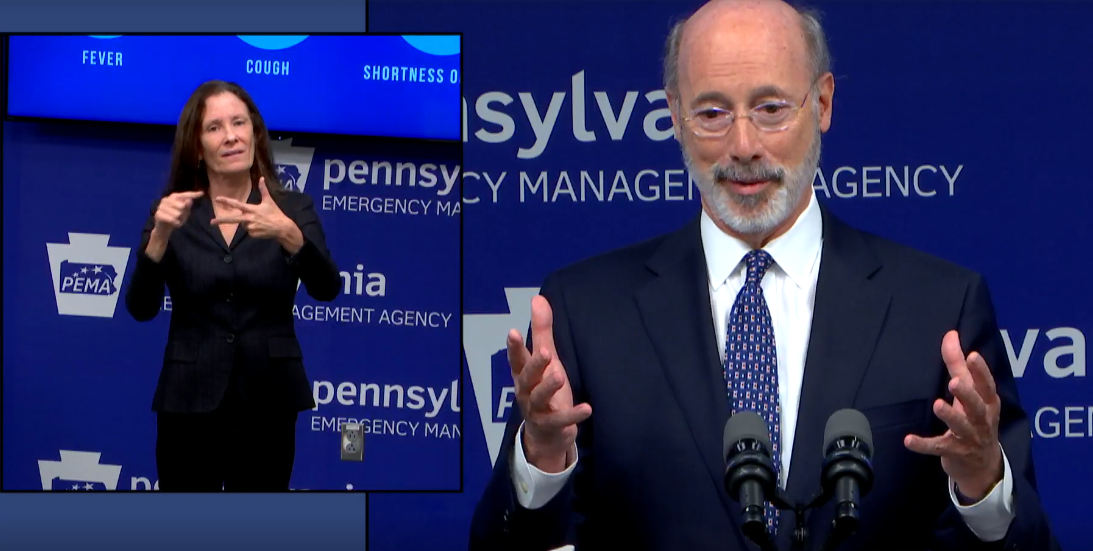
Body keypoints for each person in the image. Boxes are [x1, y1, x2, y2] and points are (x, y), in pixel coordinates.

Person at [469, 1, 1060, 550]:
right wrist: (542, 461)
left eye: (771, 108)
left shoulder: (939, 308)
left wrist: (983, 483)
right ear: (674, 116)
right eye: (712, 113)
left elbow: (1028, 540)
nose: (744, 144)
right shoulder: (586, 312)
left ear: (822, 103)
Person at [125, 80, 341, 491]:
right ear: (196, 147)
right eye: (214, 127)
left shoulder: (293, 209)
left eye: (239, 123)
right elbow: (141, 308)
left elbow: (327, 287)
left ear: (255, 133)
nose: (231, 136)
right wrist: (159, 237)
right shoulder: (172, 213)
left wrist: (289, 235)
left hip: (270, 397)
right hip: (188, 399)